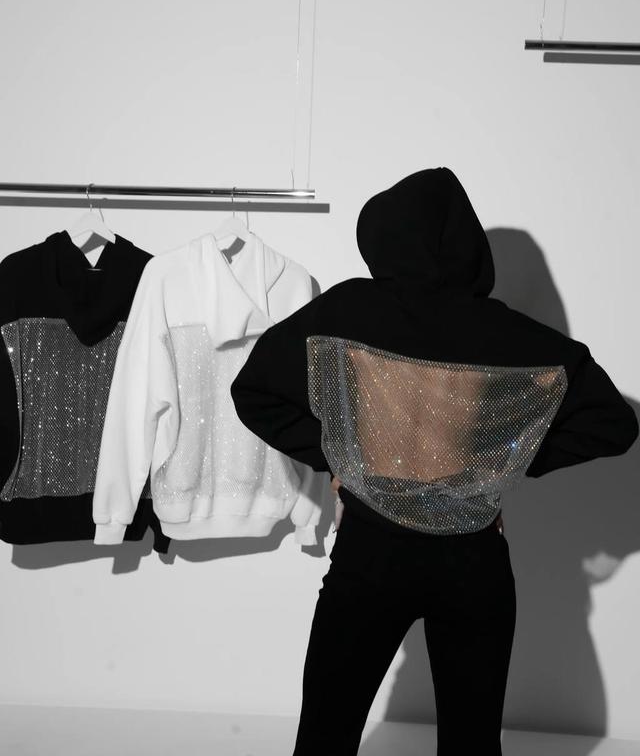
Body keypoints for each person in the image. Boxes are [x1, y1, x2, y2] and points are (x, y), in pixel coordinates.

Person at [229, 166, 638, 756]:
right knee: (472, 746)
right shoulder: (509, 333)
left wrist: (341, 457)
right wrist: (503, 460)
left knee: (325, 738)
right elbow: (614, 423)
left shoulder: (347, 310)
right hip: (474, 563)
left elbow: (254, 392)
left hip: (369, 556)